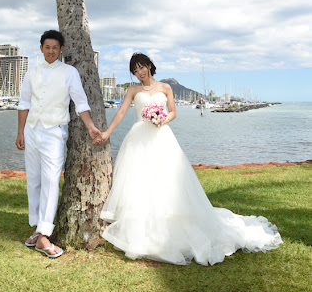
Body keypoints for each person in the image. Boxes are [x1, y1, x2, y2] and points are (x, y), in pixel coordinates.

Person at [95, 52, 282, 265]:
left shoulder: (165, 88)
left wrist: (162, 119)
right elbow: (120, 113)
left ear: (149, 65)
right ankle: (142, 227)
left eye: (141, 67)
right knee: (140, 181)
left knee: (167, 180)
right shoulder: (133, 90)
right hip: (138, 138)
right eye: (135, 70)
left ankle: (169, 223)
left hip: (161, 136)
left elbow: (173, 112)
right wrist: (107, 132)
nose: (139, 73)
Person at [16, 29, 101, 258]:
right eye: (47, 47)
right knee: (33, 180)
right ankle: (37, 229)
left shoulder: (69, 72)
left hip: (54, 131)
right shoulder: (31, 72)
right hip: (32, 130)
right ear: (41, 48)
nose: (51, 51)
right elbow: (24, 103)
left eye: (55, 47)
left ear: (61, 49)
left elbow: (80, 102)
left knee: (51, 180)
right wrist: (20, 132)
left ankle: (44, 234)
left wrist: (91, 127)